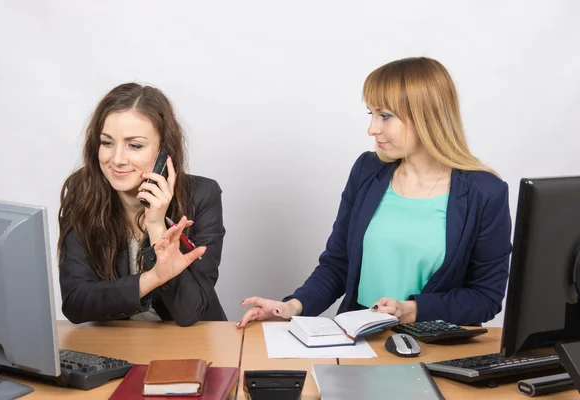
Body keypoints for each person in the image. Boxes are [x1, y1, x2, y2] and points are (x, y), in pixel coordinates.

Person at [238, 57, 511, 328]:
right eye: (371, 114)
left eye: (385, 116)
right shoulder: (367, 171)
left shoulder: (484, 192)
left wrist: (411, 310)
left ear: (426, 116)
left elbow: (485, 297)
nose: (372, 129)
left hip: (434, 346)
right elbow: (338, 263)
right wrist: (290, 307)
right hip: (359, 340)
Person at [58, 83, 227, 326]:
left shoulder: (201, 196)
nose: (117, 159)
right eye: (107, 142)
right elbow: (75, 302)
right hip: (115, 341)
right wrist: (153, 278)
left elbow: (189, 312)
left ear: (164, 152)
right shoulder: (82, 192)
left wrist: (157, 225)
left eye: (134, 145)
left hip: (187, 343)